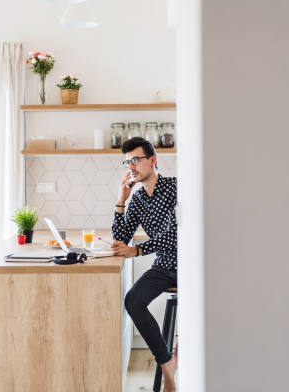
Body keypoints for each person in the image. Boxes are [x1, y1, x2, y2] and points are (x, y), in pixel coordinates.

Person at [111, 136, 178, 392]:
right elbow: (121, 238)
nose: (131, 166)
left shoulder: (175, 188)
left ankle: (185, 355)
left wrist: (136, 250)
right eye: (128, 162)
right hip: (164, 266)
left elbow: (174, 235)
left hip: (192, 266)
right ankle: (166, 363)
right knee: (133, 301)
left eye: (136, 160)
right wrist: (121, 200)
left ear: (152, 160)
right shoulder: (137, 199)